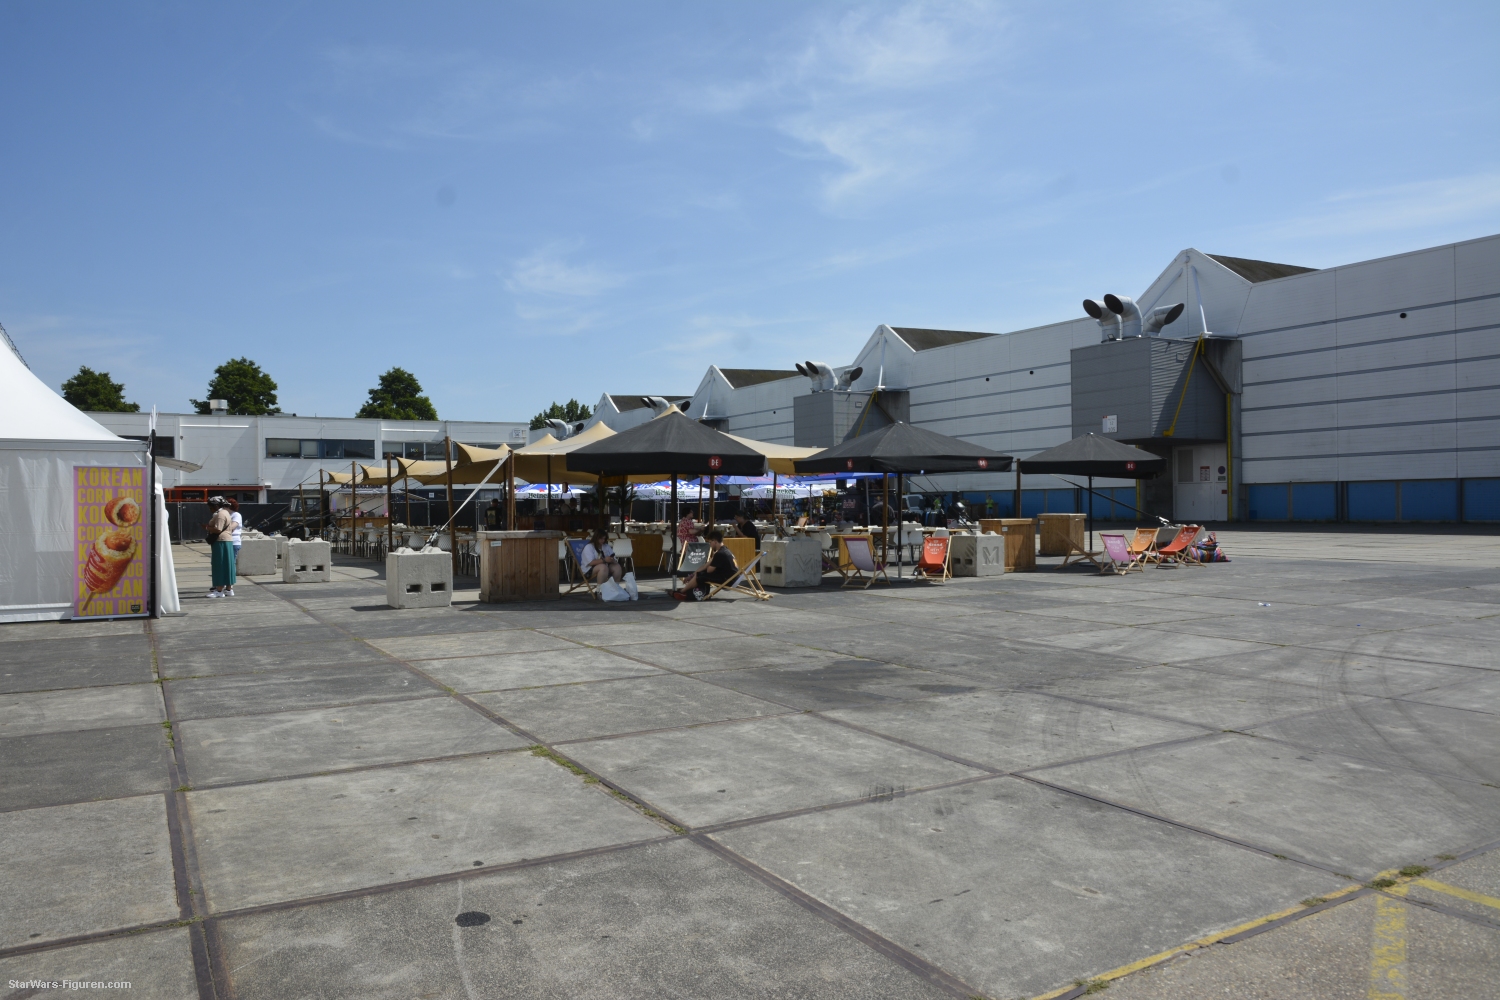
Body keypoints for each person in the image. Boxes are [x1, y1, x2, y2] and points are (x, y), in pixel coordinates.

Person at [672, 528, 736, 601]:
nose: (710, 545)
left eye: (710, 542)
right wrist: (692, 575)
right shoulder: (725, 550)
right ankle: (684, 590)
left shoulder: (720, 554)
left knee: (700, 575)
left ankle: (682, 591)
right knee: (700, 574)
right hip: (732, 578)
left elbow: (709, 570)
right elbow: (705, 566)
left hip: (728, 581)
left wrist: (695, 575)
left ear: (715, 541)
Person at [203, 497, 236, 598]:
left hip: (220, 541)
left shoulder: (220, 514)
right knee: (228, 565)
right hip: (227, 540)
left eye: (211, 507)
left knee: (219, 565)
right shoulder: (226, 513)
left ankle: (219, 590)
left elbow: (218, 529)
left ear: (216, 506)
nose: (210, 509)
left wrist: (207, 527)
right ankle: (229, 589)